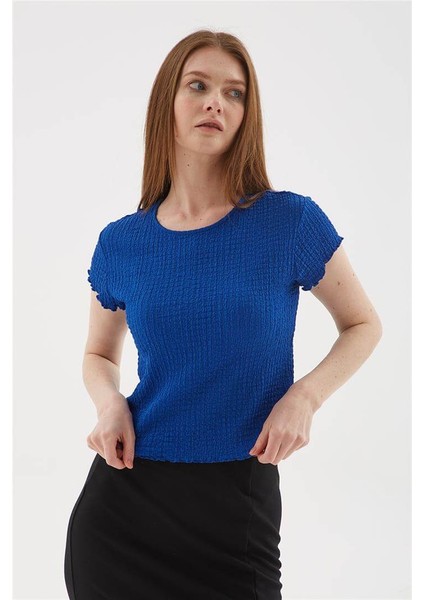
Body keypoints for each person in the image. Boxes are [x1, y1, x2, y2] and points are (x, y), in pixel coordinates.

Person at [64, 29, 383, 600]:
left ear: (245, 115)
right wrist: (110, 405)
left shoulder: (289, 223)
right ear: (167, 102)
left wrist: (304, 398)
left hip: (238, 507)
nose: (216, 102)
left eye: (234, 93)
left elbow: (363, 325)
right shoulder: (121, 243)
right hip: (125, 508)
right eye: (198, 85)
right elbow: (98, 353)